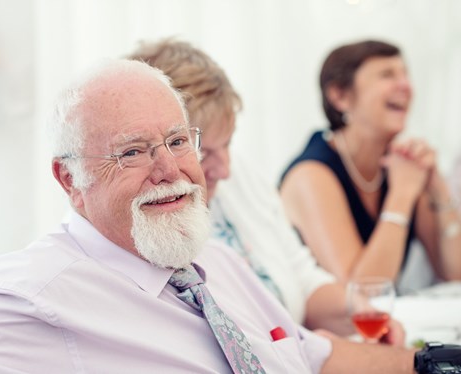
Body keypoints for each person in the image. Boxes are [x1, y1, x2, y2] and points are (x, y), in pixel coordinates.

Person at [0, 59, 416, 373]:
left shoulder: (217, 263)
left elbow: (311, 356)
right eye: (132, 153)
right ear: (69, 179)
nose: (170, 170)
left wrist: (429, 362)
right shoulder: (23, 296)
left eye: (179, 142)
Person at [125, 39, 357, 336]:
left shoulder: (241, 179)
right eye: (202, 152)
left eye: (227, 143)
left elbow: (301, 277)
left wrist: (361, 309)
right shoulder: (153, 224)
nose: (225, 169)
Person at [279, 40, 461, 287]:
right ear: (340, 96)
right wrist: (402, 194)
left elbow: (454, 272)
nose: (406, 86)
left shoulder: (400, 166)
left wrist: (438, 189)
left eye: (405, 74)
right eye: (387, 75)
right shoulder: (310, 174)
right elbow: (361, 292)